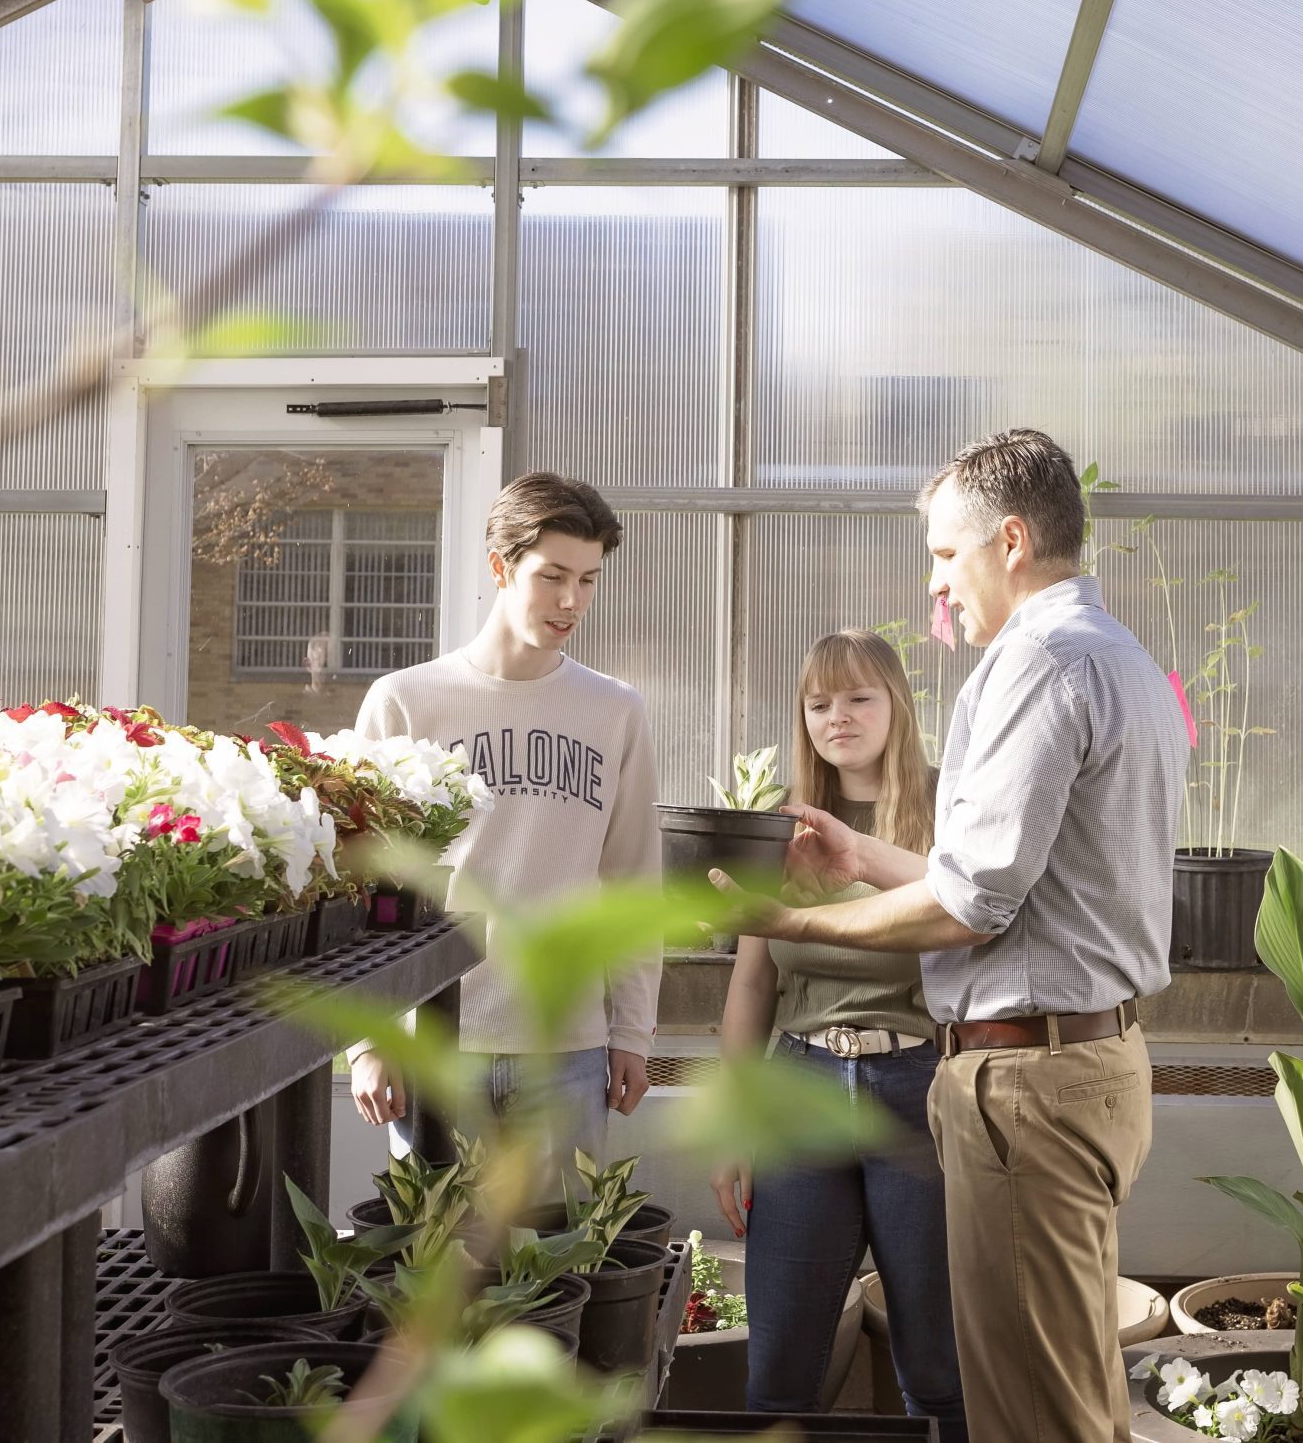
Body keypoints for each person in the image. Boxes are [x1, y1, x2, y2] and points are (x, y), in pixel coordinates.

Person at [716, 429, 1182, 1443]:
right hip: (1083, 1056)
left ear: (1008, 539)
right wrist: (861, 857)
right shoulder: (1117, 656)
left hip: (1030, 1081)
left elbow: (972, 905)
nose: (935, 582)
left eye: (941, 553)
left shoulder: (1036, 661)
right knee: (1066, 1383)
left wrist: (788, 916)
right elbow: (1020, 876)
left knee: (1028, 1406)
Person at [347, 471, 662, 1191]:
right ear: (500, 566)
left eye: (588, 579)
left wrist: (634, 1033)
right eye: (552, 575)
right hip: (436, 1045)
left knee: (556, 1283)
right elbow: (362, 886)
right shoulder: (404, 703)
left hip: (571, 1051)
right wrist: (367, 1040)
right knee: (435, 1274)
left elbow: (633, 880)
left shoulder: (614, 711)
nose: (572, 600)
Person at [712, 630, 966, 1440]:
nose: (838, 717)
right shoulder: (778, 829)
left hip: (919, 1090)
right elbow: (753, 982)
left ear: (897, 704)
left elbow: (980, 919)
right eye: (819, 703)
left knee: (937, 1365)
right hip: (799, 1089)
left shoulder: (949, 809)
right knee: (779, 1366)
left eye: (858, 697)